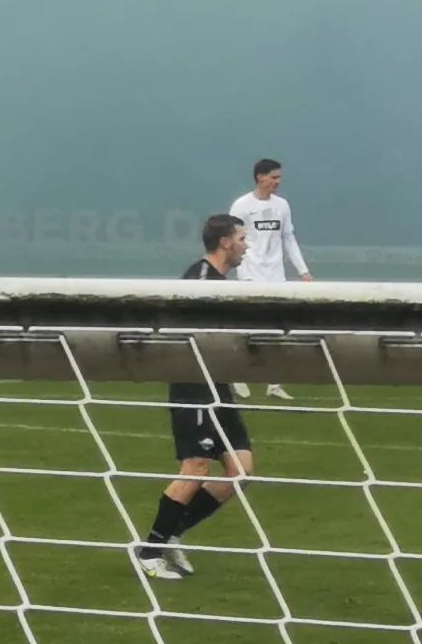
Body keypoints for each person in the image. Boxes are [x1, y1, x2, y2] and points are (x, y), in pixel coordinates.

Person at [136, 213, 253, 581]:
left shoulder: (222, 282)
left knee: (241, 469)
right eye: (242, 239)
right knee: (196, 467)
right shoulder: (201, 278)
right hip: (194, 384)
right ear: (225, 243)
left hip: (217, 384)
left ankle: (172, 533)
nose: (246, 246)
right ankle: (150, 552)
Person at [229, 158, 311, 400]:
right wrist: (238, 269)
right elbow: (232, 239)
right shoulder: (242, 205)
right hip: (250, 273)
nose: (278, 182)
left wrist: (303, 271)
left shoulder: (282, 205)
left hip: (276, 275)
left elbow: (288, 238)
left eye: (279, 177)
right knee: (249, 328)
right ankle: (237, 375)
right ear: (260, 177)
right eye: (274, 177)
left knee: (279, 328)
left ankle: (274, 384)